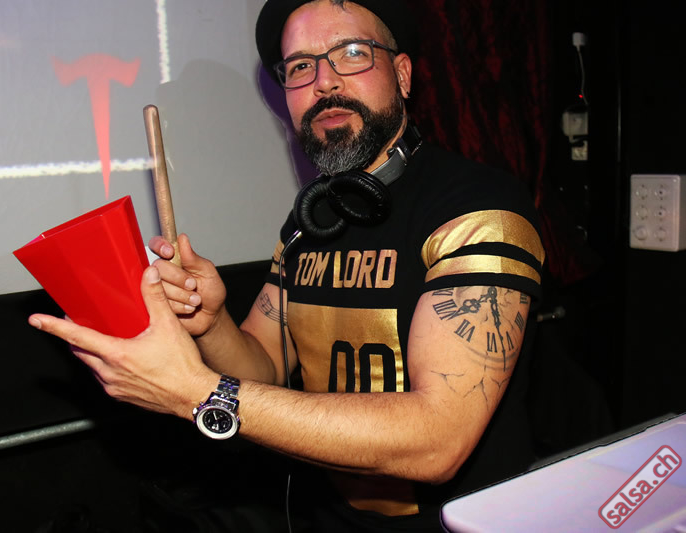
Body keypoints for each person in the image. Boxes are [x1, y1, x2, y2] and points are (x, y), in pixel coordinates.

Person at [29, 0, 546, 530]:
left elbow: (437, 443)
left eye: (351, 52)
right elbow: (263, 368)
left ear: (403, 74)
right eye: (301, 66)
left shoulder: (478, 207)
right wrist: (211, 322)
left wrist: (195, 393)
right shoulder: (311, 219)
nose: (323, 81)